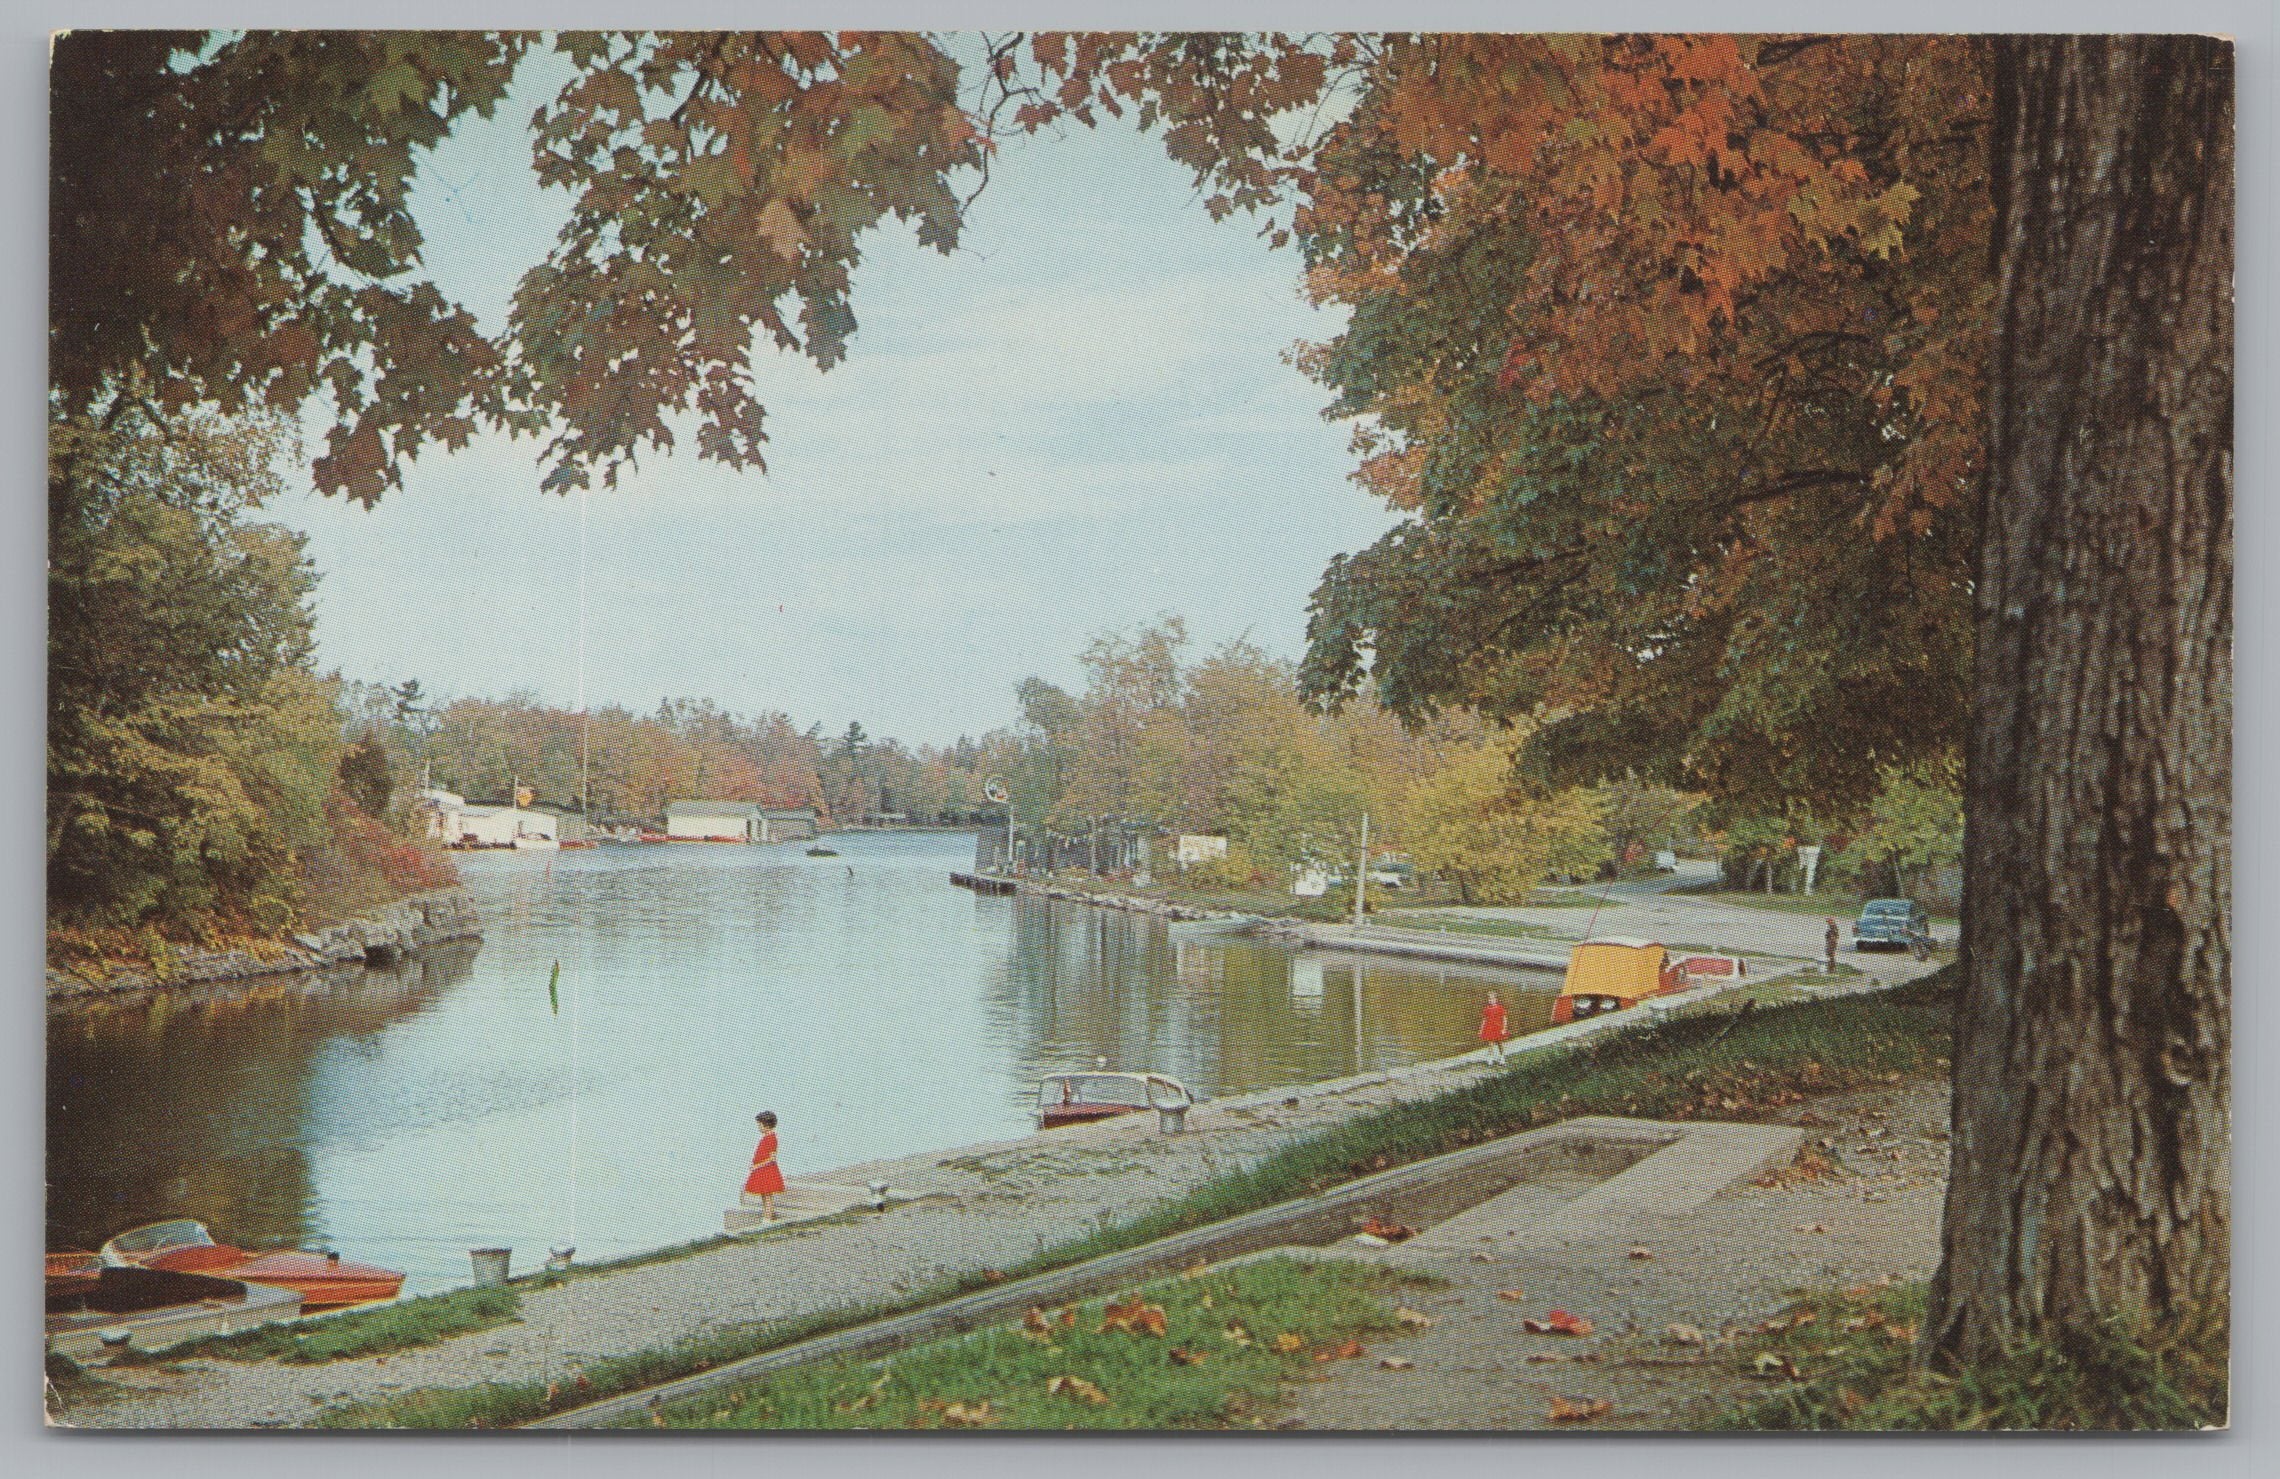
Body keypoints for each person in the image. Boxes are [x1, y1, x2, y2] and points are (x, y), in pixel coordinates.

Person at [743, 1111, 786, 1223]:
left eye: (760, 1125)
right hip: (761, 1170)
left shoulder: (771, 1138)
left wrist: (757, 1166)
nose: (759, 1127)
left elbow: (772, 1158)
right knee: (764, 1194)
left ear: (766, 1125)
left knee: (767, 1195)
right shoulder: (765, 1137)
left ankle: (768, 1217)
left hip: (767, 1171)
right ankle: (767, 1215)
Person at [1478, 991, 1509, 1064]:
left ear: (1496, 999)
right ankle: (1490, 1058)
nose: (1490, 1000)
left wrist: (1504, 1028)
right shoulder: (1486, 1009)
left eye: (1492, 999)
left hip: (1498, 1028)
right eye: (1489, 999)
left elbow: (1504, 1018)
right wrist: (1481, 1029)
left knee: (1499, 1043)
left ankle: (1502, 1057)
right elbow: (1484, 1019)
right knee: (1490, 1043)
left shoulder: (1500, 1008)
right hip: (1489, 1028)